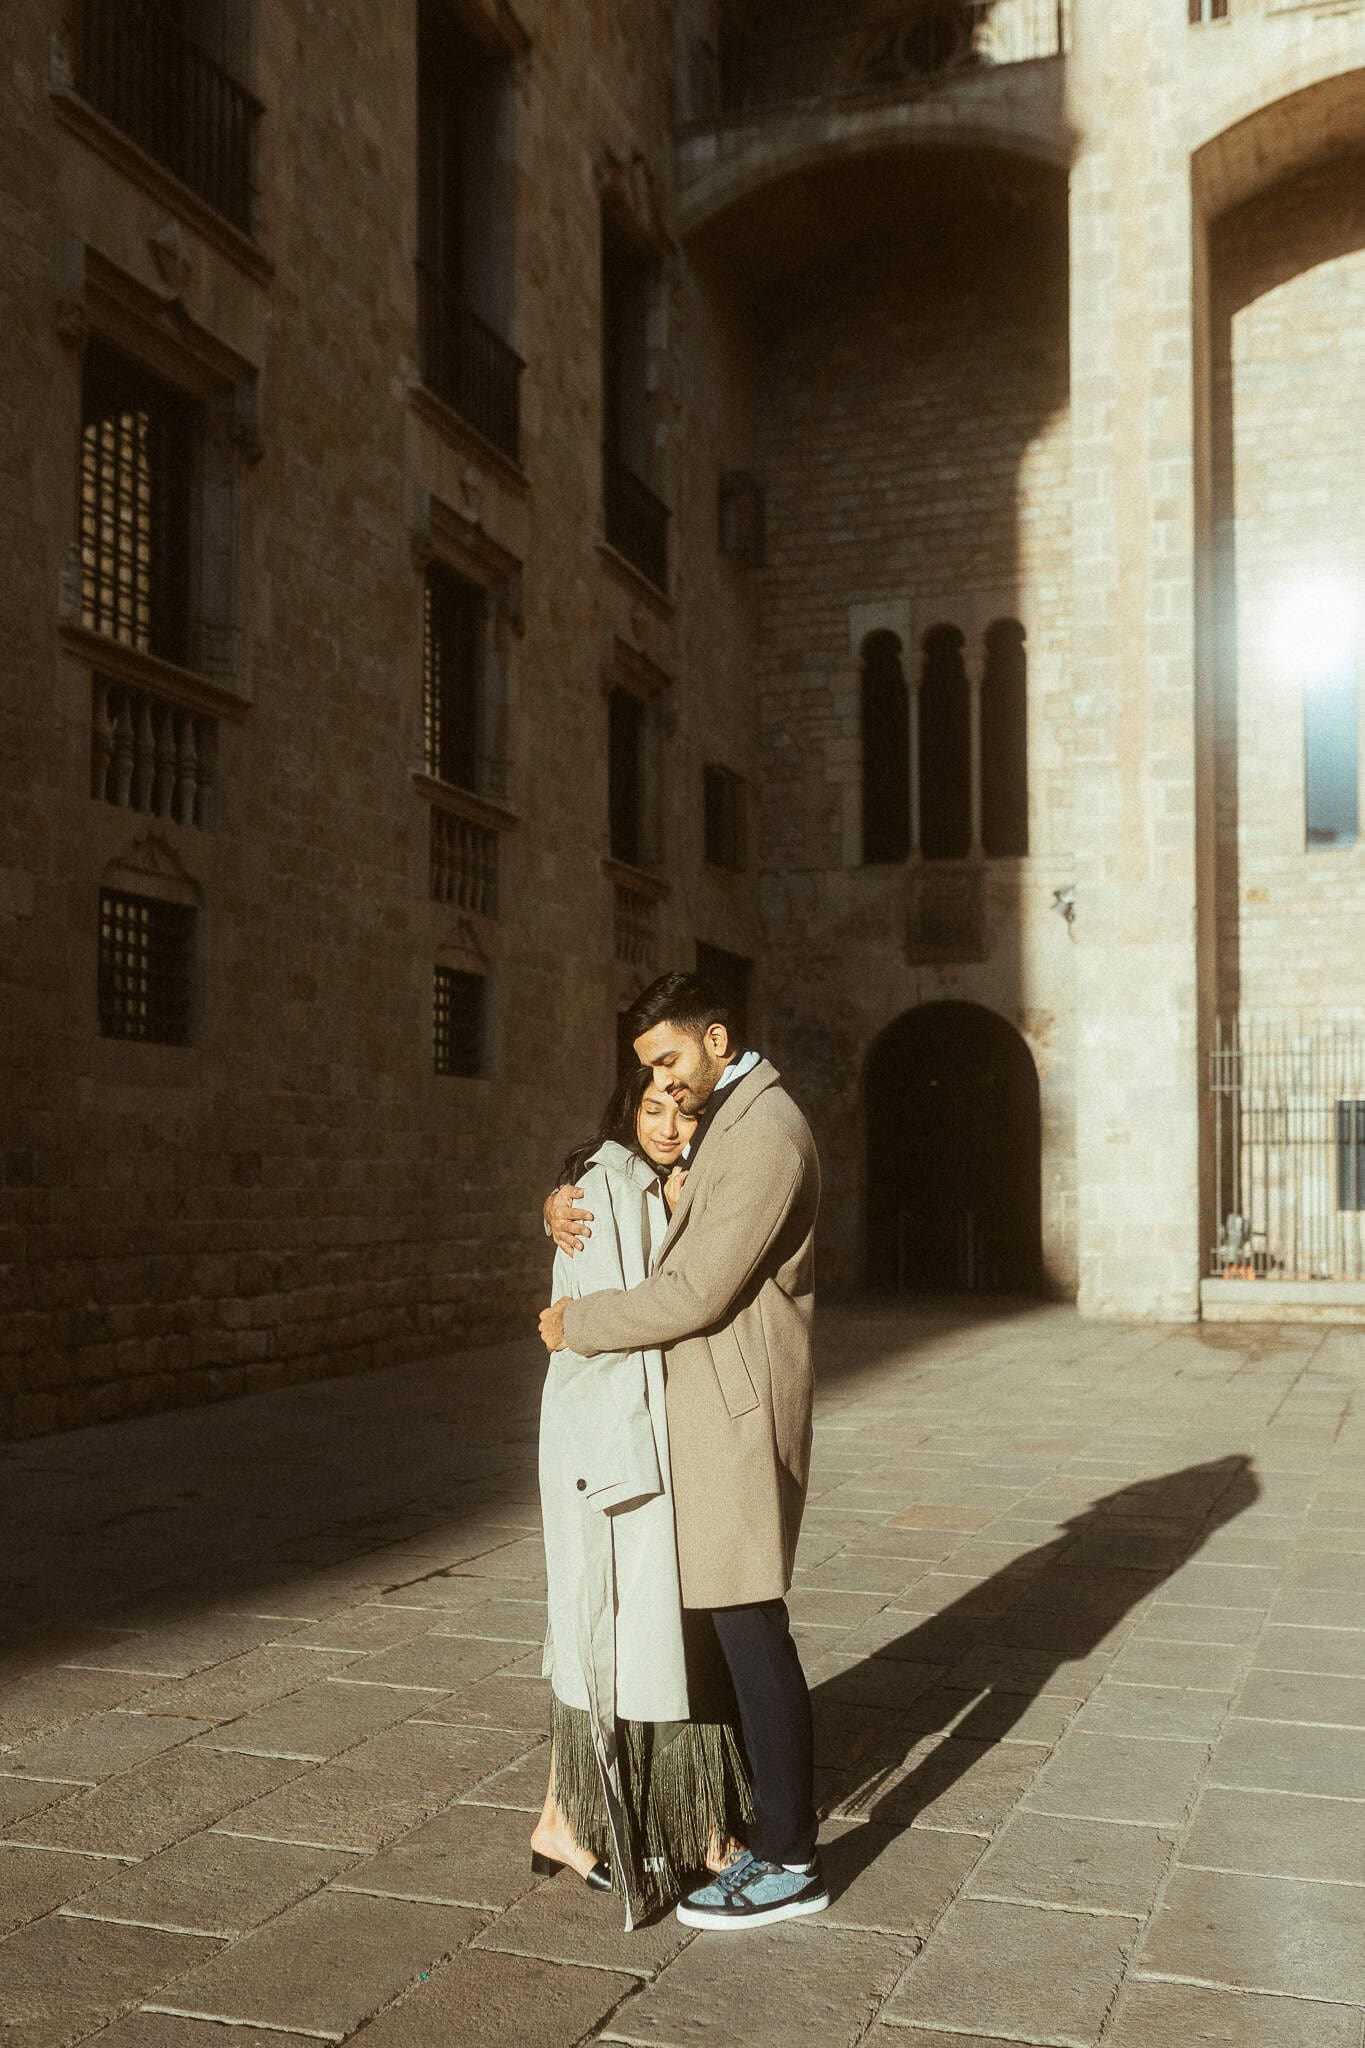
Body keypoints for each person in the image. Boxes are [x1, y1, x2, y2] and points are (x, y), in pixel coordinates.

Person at [540, 971, 825, 1931]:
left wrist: (578, 1321)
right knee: (715, 1631)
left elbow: (698, 1289)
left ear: (715, 1036)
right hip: (702, 1414)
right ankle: (735, 1825)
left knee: (749, 1625)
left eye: (669, 1059)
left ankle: (790, 1858)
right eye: (646, 1073)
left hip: (734, 1416)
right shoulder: (727, 1126)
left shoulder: (764, 1132)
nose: (664, 1082)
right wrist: (563, 1199)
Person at [532, 1064, 752, 1929]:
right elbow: (599, 1335)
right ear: (626, 1106)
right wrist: (623, 1472)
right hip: (615, 1453)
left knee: (634, 1633)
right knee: (615, 1630)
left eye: (683, 1108)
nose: (668, 1123)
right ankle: (618, 1823)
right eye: (653, 1107)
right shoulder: (601, 1189)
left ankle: (655, 1819)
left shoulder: (657, 1184)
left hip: (648, 1447)